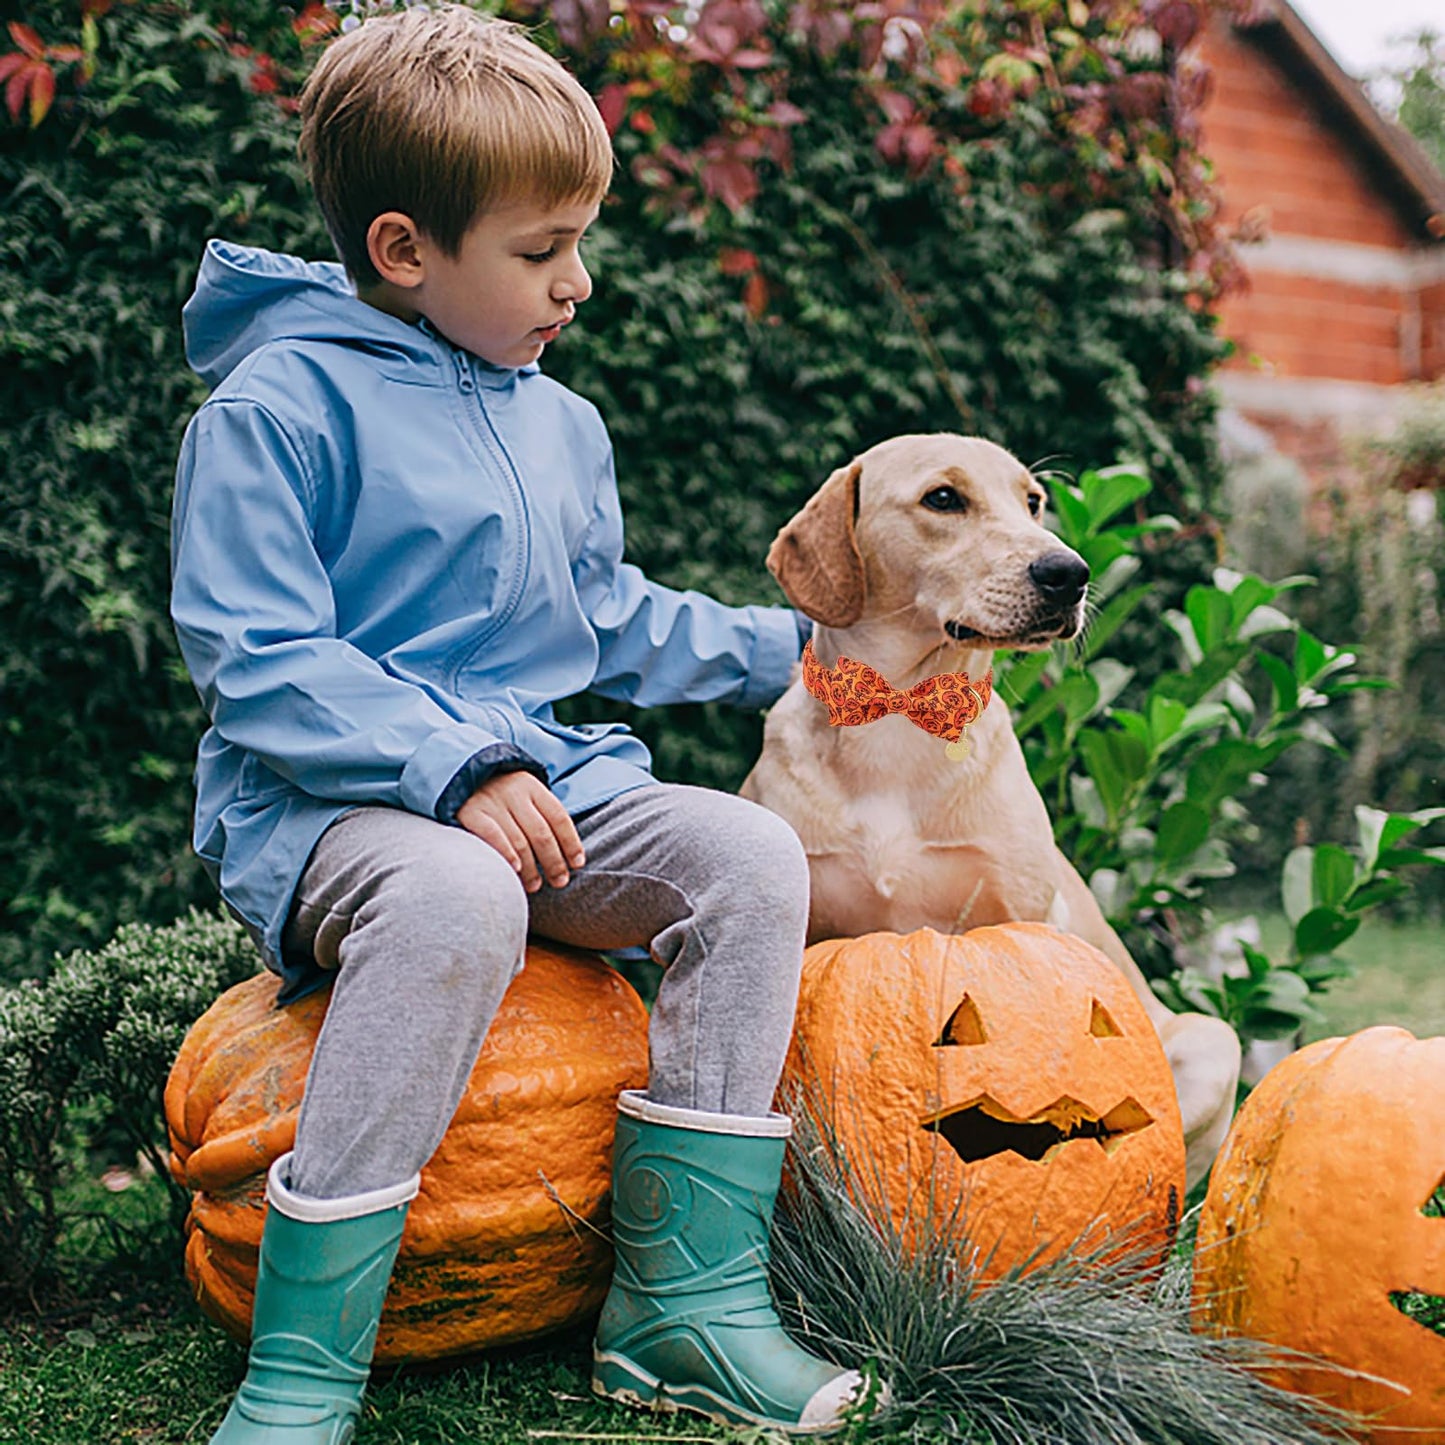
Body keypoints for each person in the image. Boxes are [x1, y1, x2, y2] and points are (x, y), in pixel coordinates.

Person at [169, 5, 873, 1442]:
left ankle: (683, 1310)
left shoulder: (560, 421)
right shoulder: (274, 405)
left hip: (539, 780)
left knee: (744, 857)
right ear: (403, 251)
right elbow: (256, 656)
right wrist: (452, 764)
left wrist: (797, 650)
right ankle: (303, 1373)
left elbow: (598, 614)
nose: (580, 281)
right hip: (326, 805)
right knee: (455, 888)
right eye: (540, 252)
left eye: (579, 242)